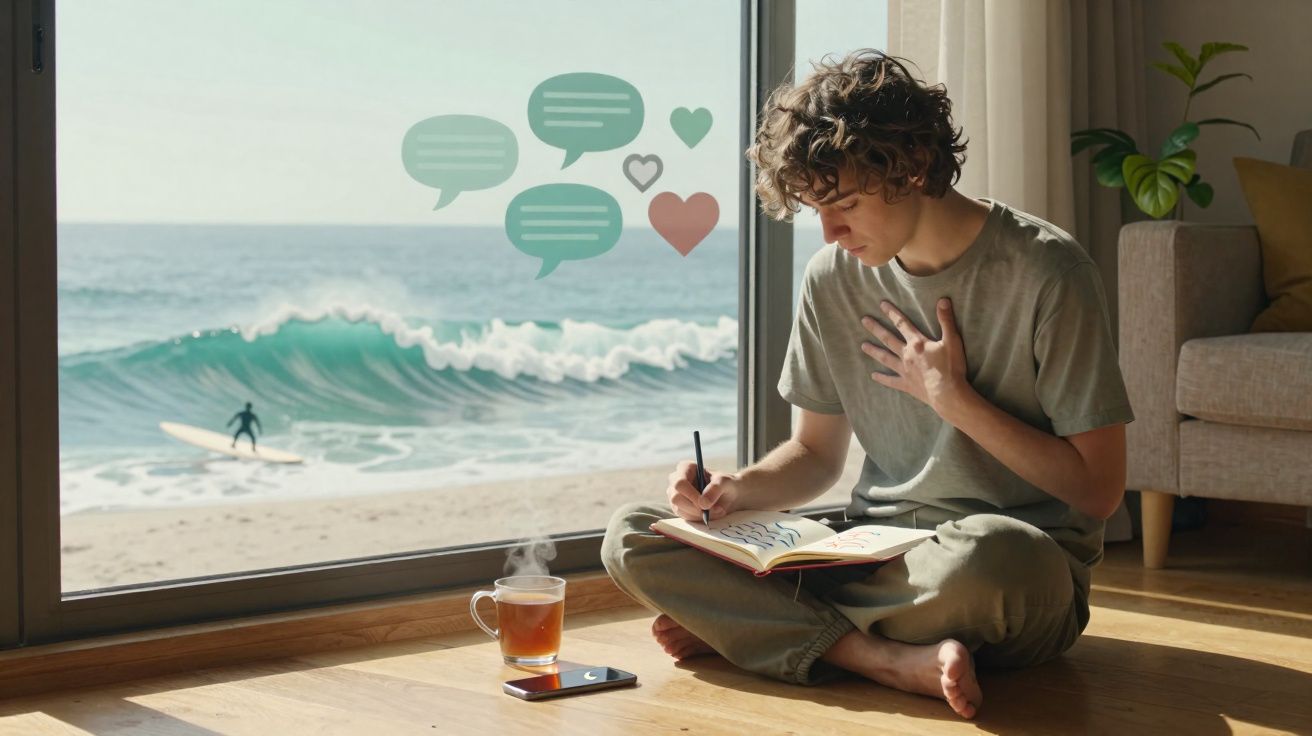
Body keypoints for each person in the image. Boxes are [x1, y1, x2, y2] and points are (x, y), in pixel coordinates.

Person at [601, 49, 1133, 720]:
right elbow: (817, 456)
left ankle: (763, 629)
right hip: (868, 554)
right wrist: (735, 491)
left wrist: (954, 402)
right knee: (633, 534)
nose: (828, 230)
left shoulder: (1050, 273)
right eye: (817, 209)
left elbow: (1100, 489)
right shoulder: (832, 277)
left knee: (1001, 560)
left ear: (909, 168)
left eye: (844, 203)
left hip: (1000, 573)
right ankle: (878, 658)